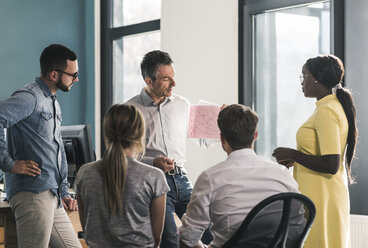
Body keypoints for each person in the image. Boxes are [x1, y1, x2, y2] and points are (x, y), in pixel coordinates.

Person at [179, 104, 303, 248]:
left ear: (222, 138)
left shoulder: (209, 178)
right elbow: (298, 224)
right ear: (255, 135)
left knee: (183, 234)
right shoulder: (282, 173)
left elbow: (189, 239)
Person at [126, 50, 212, 248]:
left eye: (173, 78)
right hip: (153, 183)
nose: (174, 84)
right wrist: (151, 162)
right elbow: (123, 157)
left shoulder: (183, 105)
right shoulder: (130, 110)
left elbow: (202, 140)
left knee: (210, 234)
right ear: (149, 80)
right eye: (166, 79)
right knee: (169, 241)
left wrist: (219, 123)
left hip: (182, 179)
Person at [0, 44, 81, 247]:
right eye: (73, 74)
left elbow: (57, 148)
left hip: (51, 193)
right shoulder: (29, 97)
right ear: (54, 74)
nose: (76, 79)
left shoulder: (52, 101)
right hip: (32, 193)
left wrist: (63, 191)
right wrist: (8, 164)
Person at [272, 54, 357, 248]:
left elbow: (331, 164)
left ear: (317, 78)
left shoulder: (327, 111)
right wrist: (297, 160)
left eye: (305, 76)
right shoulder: (328, 107)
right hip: (322, 194)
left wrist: (293, 154)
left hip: (323, 197)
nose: (302, 82)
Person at [75, 104, 169, 247]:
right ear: (139, 135)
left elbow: (86, 227)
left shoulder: (84, 173)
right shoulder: (154, 176)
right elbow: (156, 237)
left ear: (106, 133)